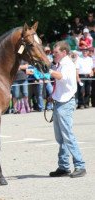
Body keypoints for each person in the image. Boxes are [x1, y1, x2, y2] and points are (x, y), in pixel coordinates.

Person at [49, 41, 86, 178]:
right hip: (59, 101)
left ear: (64, 52)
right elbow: (60, 83)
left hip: (65, 103)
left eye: (56, 52)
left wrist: (48, 71)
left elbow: (61, 77)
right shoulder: (61, 64)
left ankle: (80, 165)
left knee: (68, 136)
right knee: (61, 138)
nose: (54, 54)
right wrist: (52, 95)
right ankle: (64, 166)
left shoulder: (67, 64)